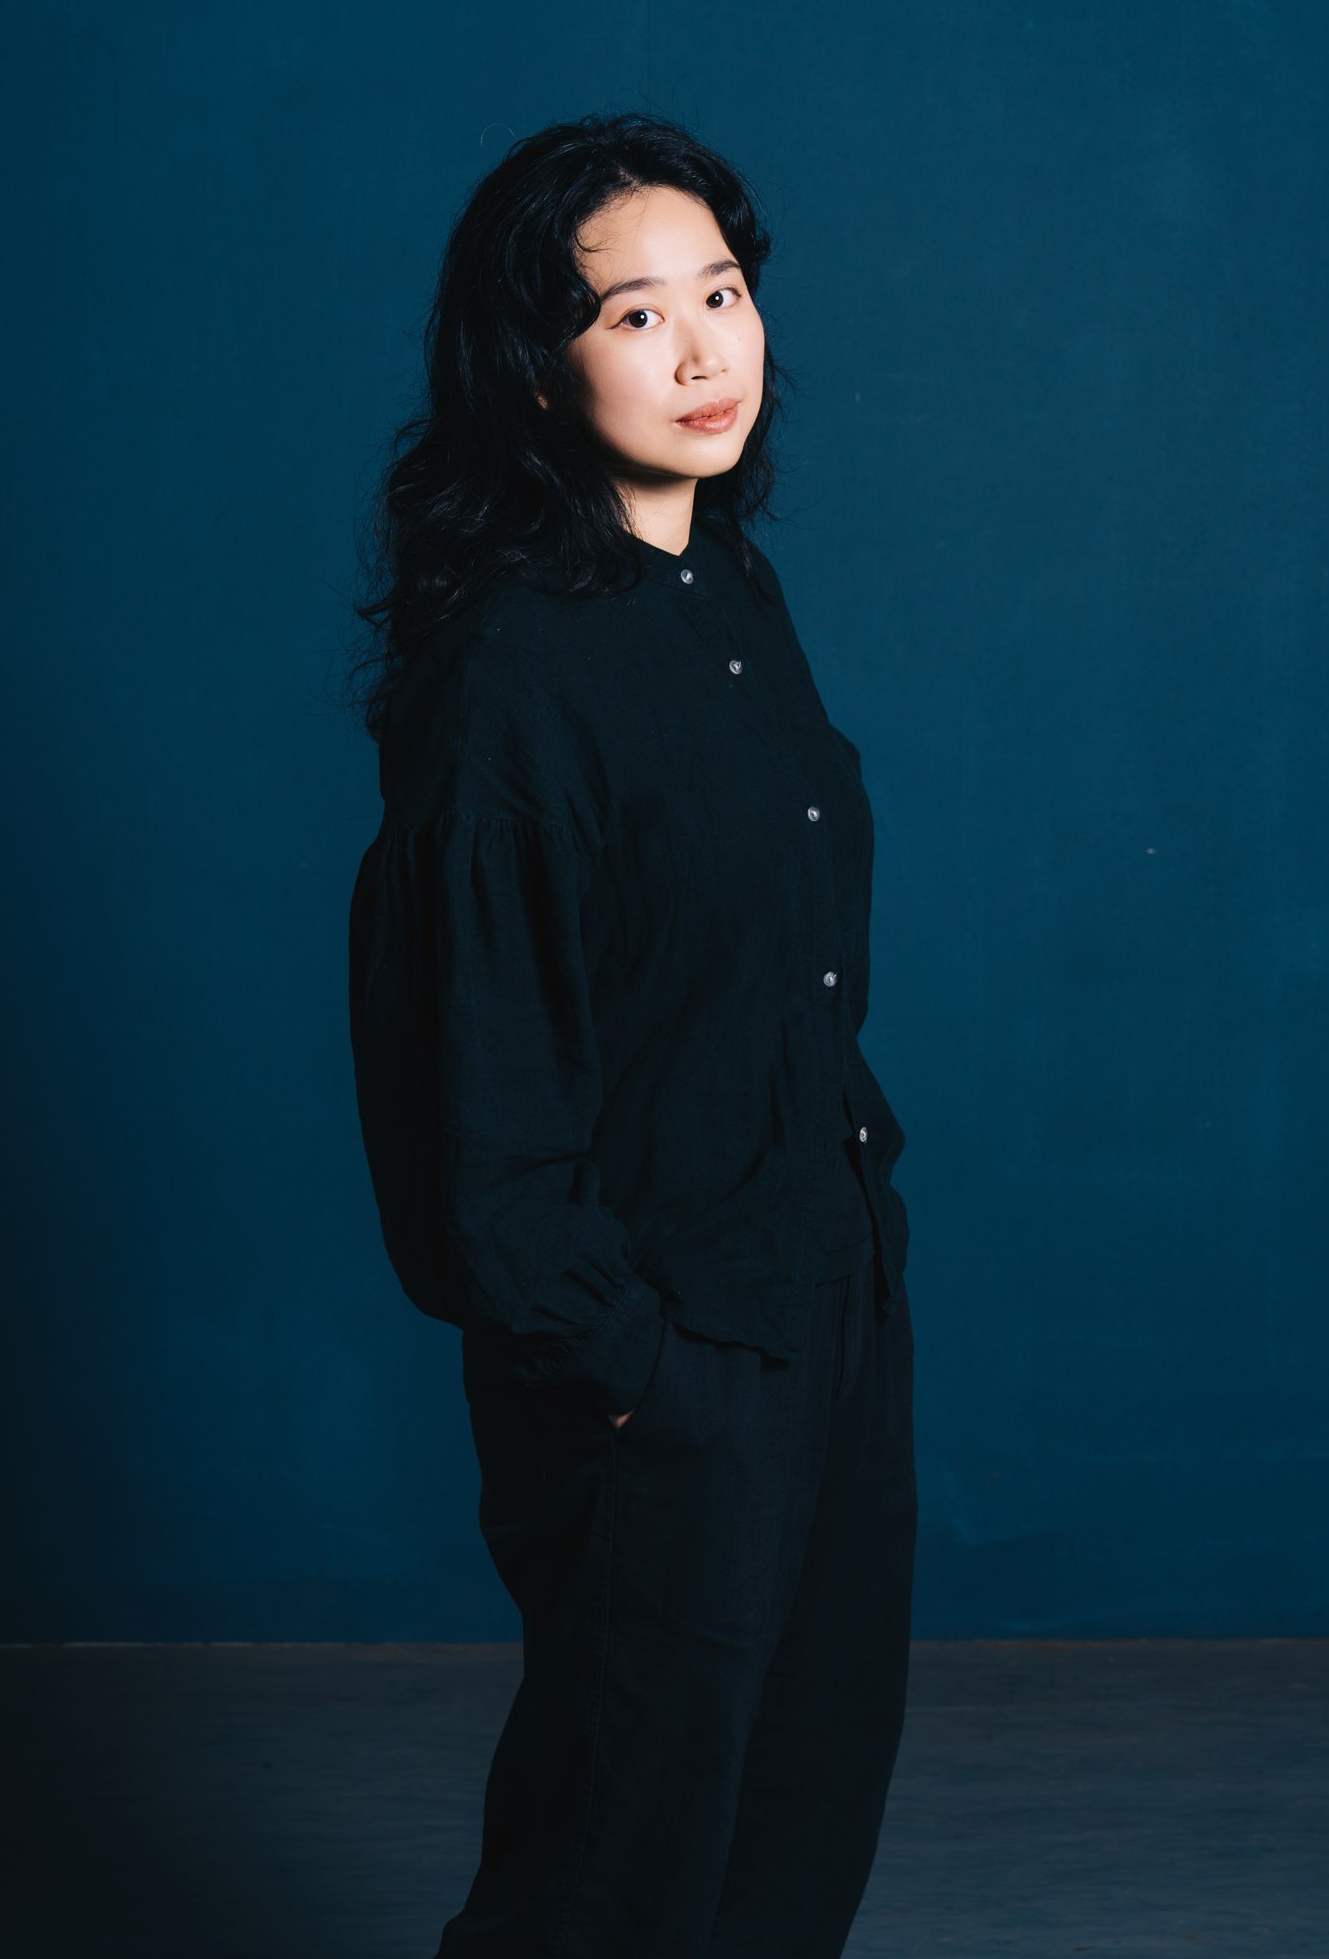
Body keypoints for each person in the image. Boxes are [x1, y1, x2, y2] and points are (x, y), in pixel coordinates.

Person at [347, 111, 916, 1959]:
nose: (701, 352)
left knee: (791, 1833)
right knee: (618, 1882)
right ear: (535, 364)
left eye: (725, 294)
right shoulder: (509, 678)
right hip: (662, 1364)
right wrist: (645, 1384)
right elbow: (487, 1128)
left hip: (818, 1304)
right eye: (631, 315)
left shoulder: (729, 586)